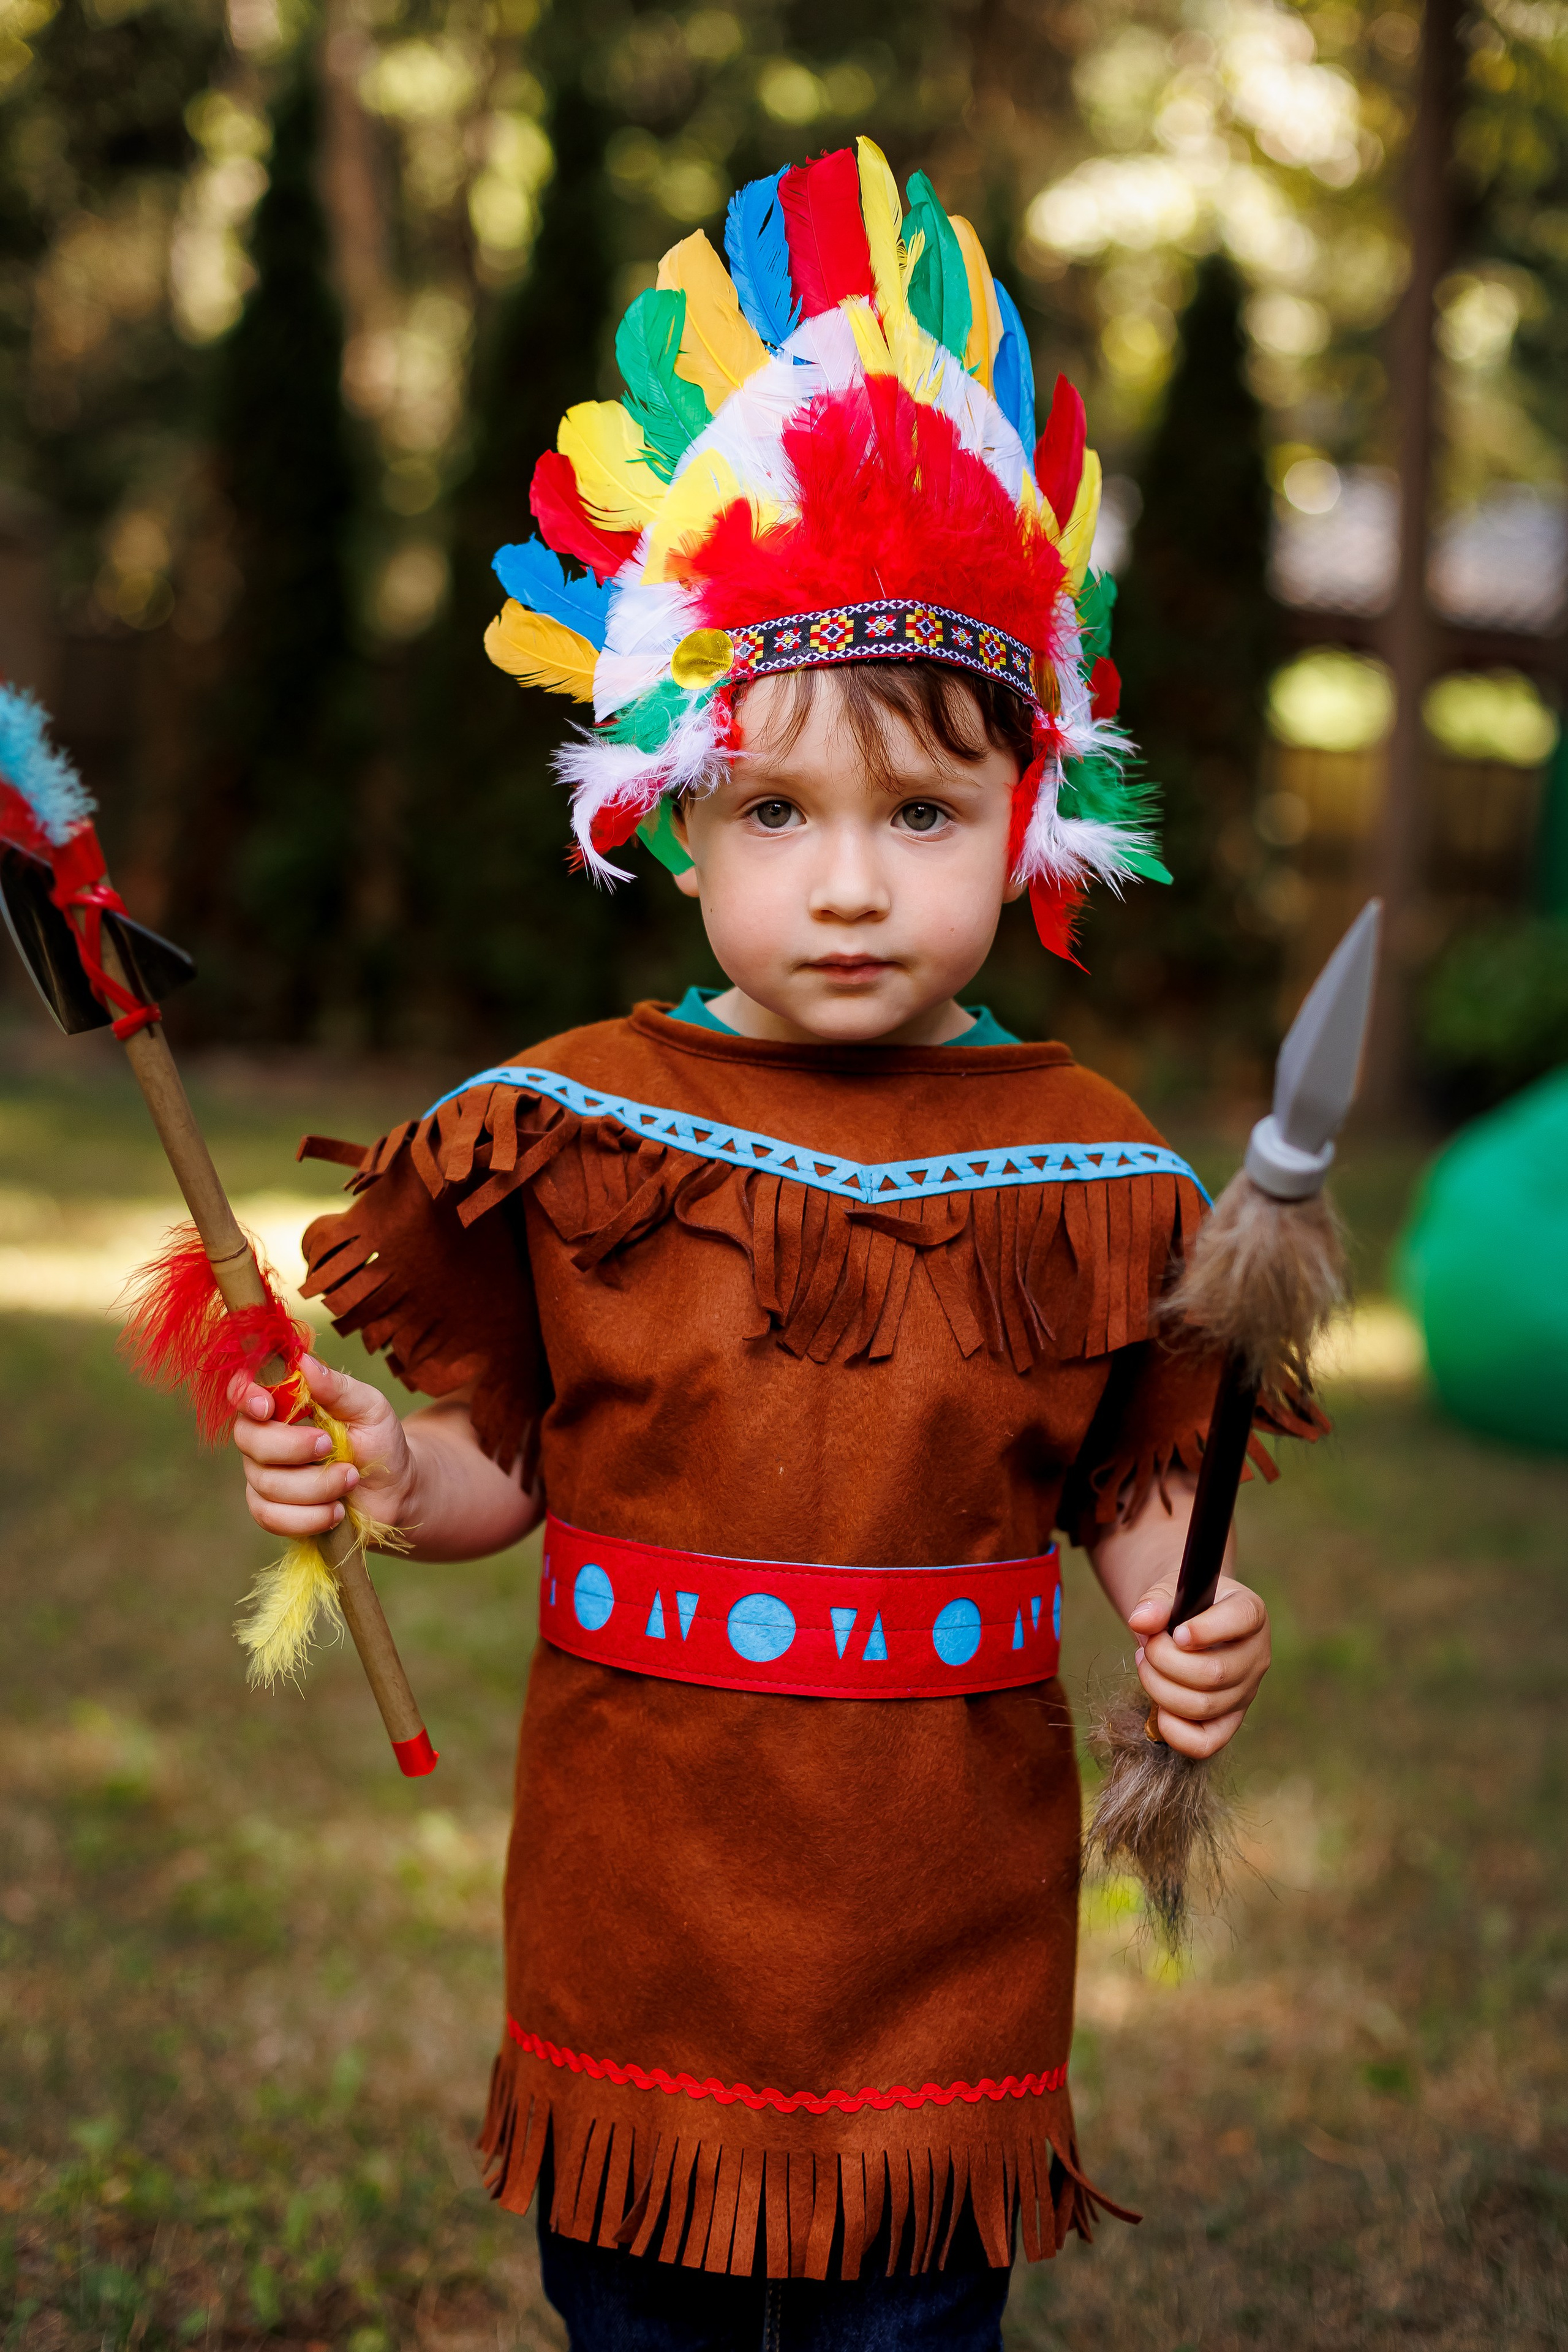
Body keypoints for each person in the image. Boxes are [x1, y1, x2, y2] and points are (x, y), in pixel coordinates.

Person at [230, 140, 1309, 2350]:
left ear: (1032, 818)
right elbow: (499, 1482)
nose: (847, 886)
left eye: (922, 817)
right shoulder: (567, 1132)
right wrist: (368, 1469)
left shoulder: (1089, 1165)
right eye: (778, 814)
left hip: (936, 1941)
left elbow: (1133, 1476)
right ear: (665, 813)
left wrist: (1180, 1623)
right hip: (647, 1919)